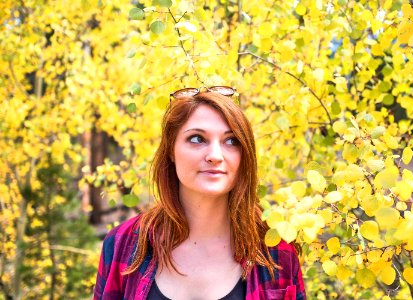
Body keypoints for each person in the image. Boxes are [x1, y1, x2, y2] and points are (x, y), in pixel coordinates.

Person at [93, 87, 306, 299]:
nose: (215, 155)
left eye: (231, 141)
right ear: (171, 151)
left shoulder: (276, 253)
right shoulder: (123, 244)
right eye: (197, 139)